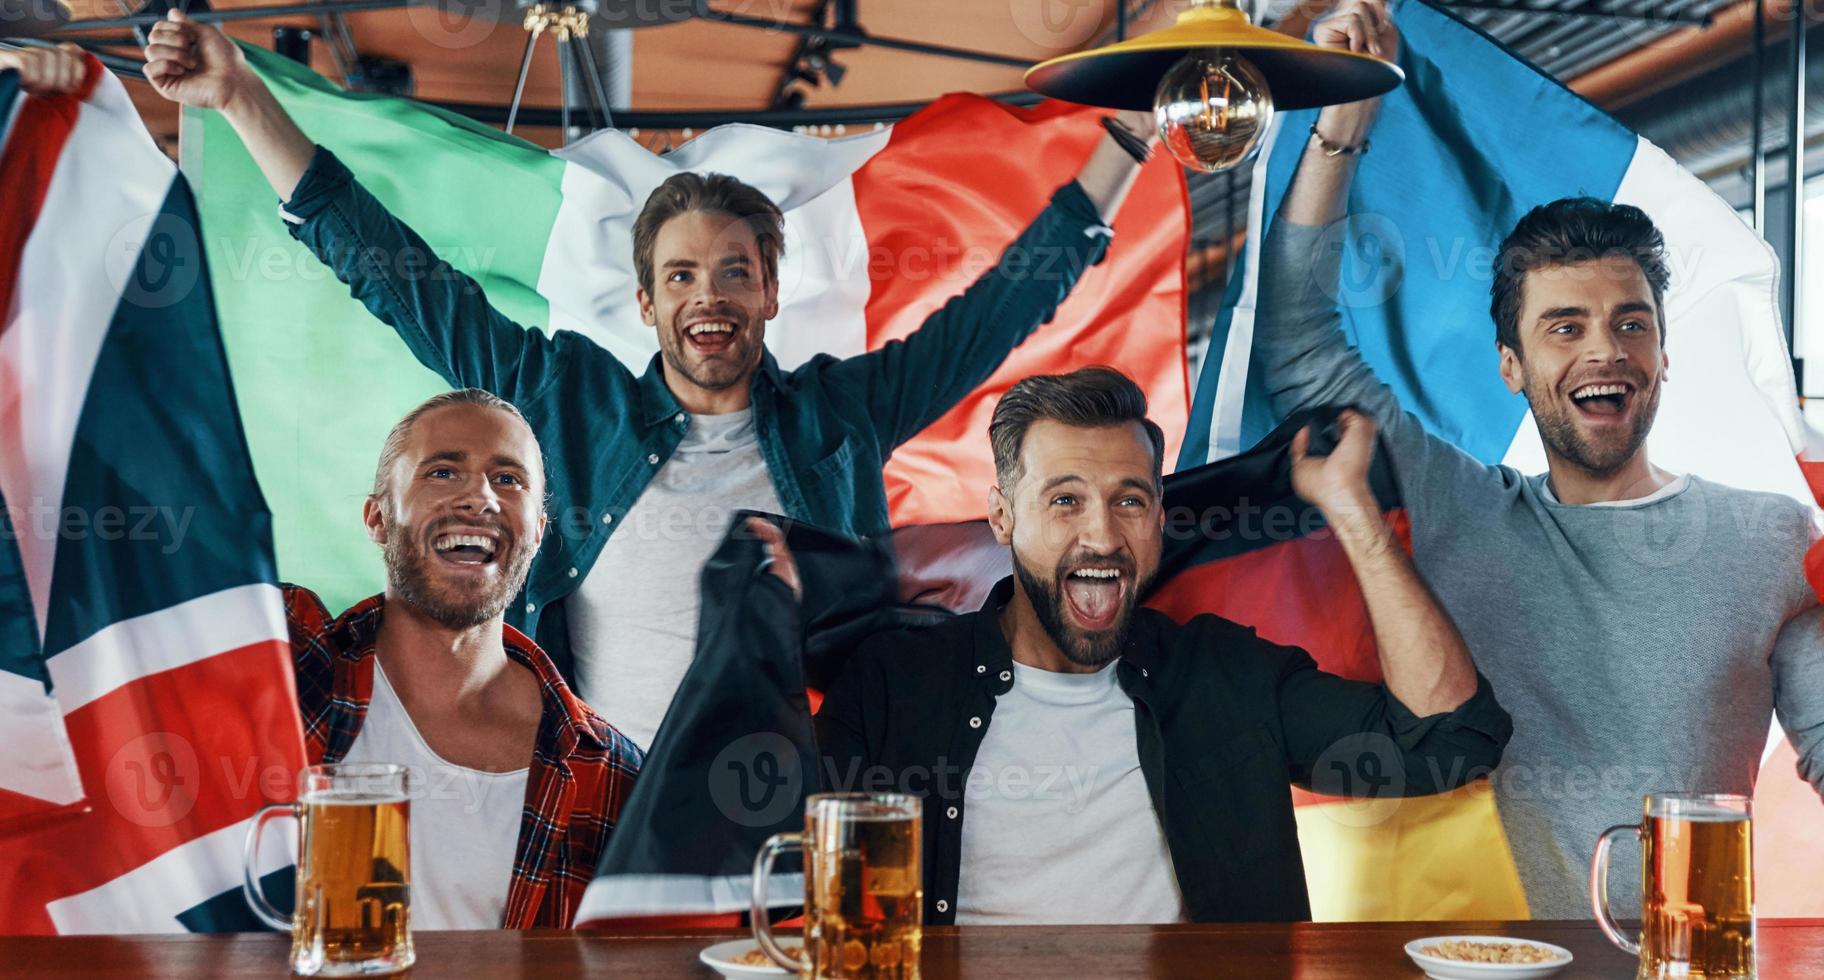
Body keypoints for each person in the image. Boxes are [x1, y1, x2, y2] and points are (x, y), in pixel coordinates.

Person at [142, 10, 1159, 747]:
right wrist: (238, 95)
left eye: (731, 271)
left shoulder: (840, 416)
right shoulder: (565, 401)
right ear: (645, 303)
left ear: (769, 291)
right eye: (680, 275)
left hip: (797, 805)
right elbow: (396, 276)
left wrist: (1127, 142)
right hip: (603, 799)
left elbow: (998, 312)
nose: (706, 294)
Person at [1254, 0, 1824, 920]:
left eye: (1630, 324)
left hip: (1687, 964)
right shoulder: (1459, 506)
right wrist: (1340, 132)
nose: (1605, 349)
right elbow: (1299, 346)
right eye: (1565, 327)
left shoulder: (1770, 536)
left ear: (1663, 357)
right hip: (1476, 967)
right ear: (1511, 367)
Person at [779, 367, 1511, 925]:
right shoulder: (894, 681)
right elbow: (777, 856)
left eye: (1128, 499)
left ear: (1159, 518)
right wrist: (756, 625)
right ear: (1002, 518)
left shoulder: (1226, 673)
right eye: (1063, 500)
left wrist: (1350, 509)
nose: (1101, 535)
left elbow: (1447, 739)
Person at [285, 388, 639, 929]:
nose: (481, 498)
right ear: (378, 518)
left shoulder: (612, 771)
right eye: (443, 472)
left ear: (538, 534)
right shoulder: (286, 670)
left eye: (509, 479)